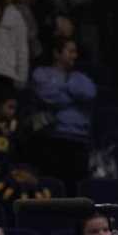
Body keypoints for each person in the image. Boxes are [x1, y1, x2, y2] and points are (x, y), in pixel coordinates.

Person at [28, 35, 96, 187]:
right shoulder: (41, 73)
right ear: (57, 53)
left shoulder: (81, 77)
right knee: (52, 188)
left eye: (76, 52)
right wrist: (73, 95)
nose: (75, 55)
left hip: (78, 141)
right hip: (52, 140)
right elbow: (47, 95)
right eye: (70, 51)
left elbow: (90, 93)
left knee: (75, 190)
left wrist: (62, 86)